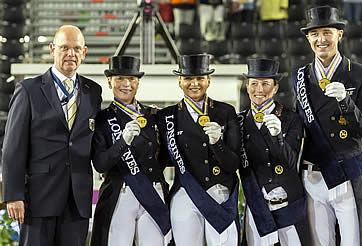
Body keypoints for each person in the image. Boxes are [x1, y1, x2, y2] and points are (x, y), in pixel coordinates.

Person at [1, 25, 102, 245]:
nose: (70, 54)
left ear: (84, 52)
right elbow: (13, 147)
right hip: (38, 199)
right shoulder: (28, 90)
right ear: (52, 49)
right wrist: (13, 194)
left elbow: (94, 139)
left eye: (76, 48)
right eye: (64, 47)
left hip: (77, 202)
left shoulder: (93, 92)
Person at [293, 6, 362, 246]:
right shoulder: (300, 77)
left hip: (346, 174)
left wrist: (346, 102)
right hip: (313, 178)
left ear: (339, 34)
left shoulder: (361, 74)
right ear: (308, 38)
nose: (321, 39)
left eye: (327, 32)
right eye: (315, 34)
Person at [157, 54, 241, 246]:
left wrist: (217, 143)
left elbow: (233, 163)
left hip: (219, 192)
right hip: (185, 193)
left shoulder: (225, 111)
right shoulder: (166, 116)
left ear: (208, 81)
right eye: (188, 78)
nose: (194, 83)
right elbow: (160, 159)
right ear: (179, 82)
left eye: (200, 78)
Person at [90, 56, 171, 246]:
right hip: (120, 194)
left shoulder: (153, 115)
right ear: (110, 82)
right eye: (120, 79)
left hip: (153, 192)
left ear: (138, 82)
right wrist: (122, 142)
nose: (126, 84)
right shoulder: (101, 119)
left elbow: (164, 159)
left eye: (132, 79)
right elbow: (100, 164)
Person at [238, 58, 307, 246]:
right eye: (254, 83)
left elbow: (292, 162)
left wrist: (278, 137)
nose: (259, 89)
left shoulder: (291, 118)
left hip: (288, 203)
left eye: (266, 84)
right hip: (257, 205)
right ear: (247, 86)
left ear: (275, 88)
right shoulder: (238, 122)